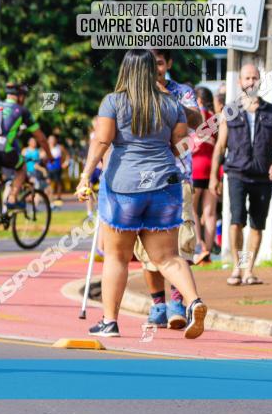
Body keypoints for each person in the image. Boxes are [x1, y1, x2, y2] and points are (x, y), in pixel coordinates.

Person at [76, 49, 207, 339]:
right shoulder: (171, 103)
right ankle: (194, 301)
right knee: (168, 257)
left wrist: (85, 176)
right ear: (152, 70)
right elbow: (180, 143)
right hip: (165, 185)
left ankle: (110, 322)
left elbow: (102, 140)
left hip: (125, 187)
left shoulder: (113, 101)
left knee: (117, 256)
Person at [135, 49, 201, 331]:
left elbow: (196, 121)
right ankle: (158, 304)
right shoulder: (135, 94)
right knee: (146, 245)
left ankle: (178, 302)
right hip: (143, 179)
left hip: (177, 177)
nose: (156, 69)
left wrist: (168, 99)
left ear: (168, 64)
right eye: (151, 64)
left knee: (181, 240)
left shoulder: (182, 92)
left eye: (160, 63)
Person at [212, 63, 272, 286]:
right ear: (239, 82)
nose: (251, 82)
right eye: (247, 78)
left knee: (257, 225)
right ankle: (238, 267)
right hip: (237, 173)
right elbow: (220, 146)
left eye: (255, 78)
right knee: (236, 221)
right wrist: (214, 175)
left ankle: (249, 270)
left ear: (260, 81)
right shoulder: (230, 111)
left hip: (263, 175)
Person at [0, 83, 52, 209]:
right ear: (20, 96)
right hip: (1, 149)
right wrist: (49, 156)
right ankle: (12, 199)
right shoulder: (21, 111)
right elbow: (41, 138)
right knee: (21, 168)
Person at [191, 87, 217, 264]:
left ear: (198, 100)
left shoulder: (194, 117)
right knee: (210, 212)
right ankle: (208, 248)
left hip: (195, 167)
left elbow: (193, 145)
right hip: (212, 168)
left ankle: (198, 246)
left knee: (192, 208)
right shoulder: (215, 118)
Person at [45, 133, 69, 206]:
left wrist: (66, 163)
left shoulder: (60, 147)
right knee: (48, 183)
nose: (52, 141)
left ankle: (58, 197)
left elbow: (67, 155)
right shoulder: (46, 147)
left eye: (53, 139)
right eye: (50, 140)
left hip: (57, 168)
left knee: (58, 183)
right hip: (49, 168)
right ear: (48, 141)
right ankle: (49, 197)